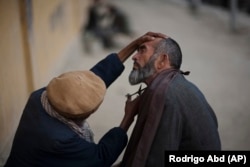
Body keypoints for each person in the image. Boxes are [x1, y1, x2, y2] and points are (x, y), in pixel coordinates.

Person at [4, 32, 166, 167]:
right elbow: (101, 158)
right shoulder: (62, 139)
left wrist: (134, 44)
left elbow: (95, 77)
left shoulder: (40, 97)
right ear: (81, 116)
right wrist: (128, 117)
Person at [119, 35, 221, 167]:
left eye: (142, 50)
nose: (134, 56)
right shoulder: (181, 85)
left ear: (161, 60)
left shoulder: (162, 93)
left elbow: (152, 160)